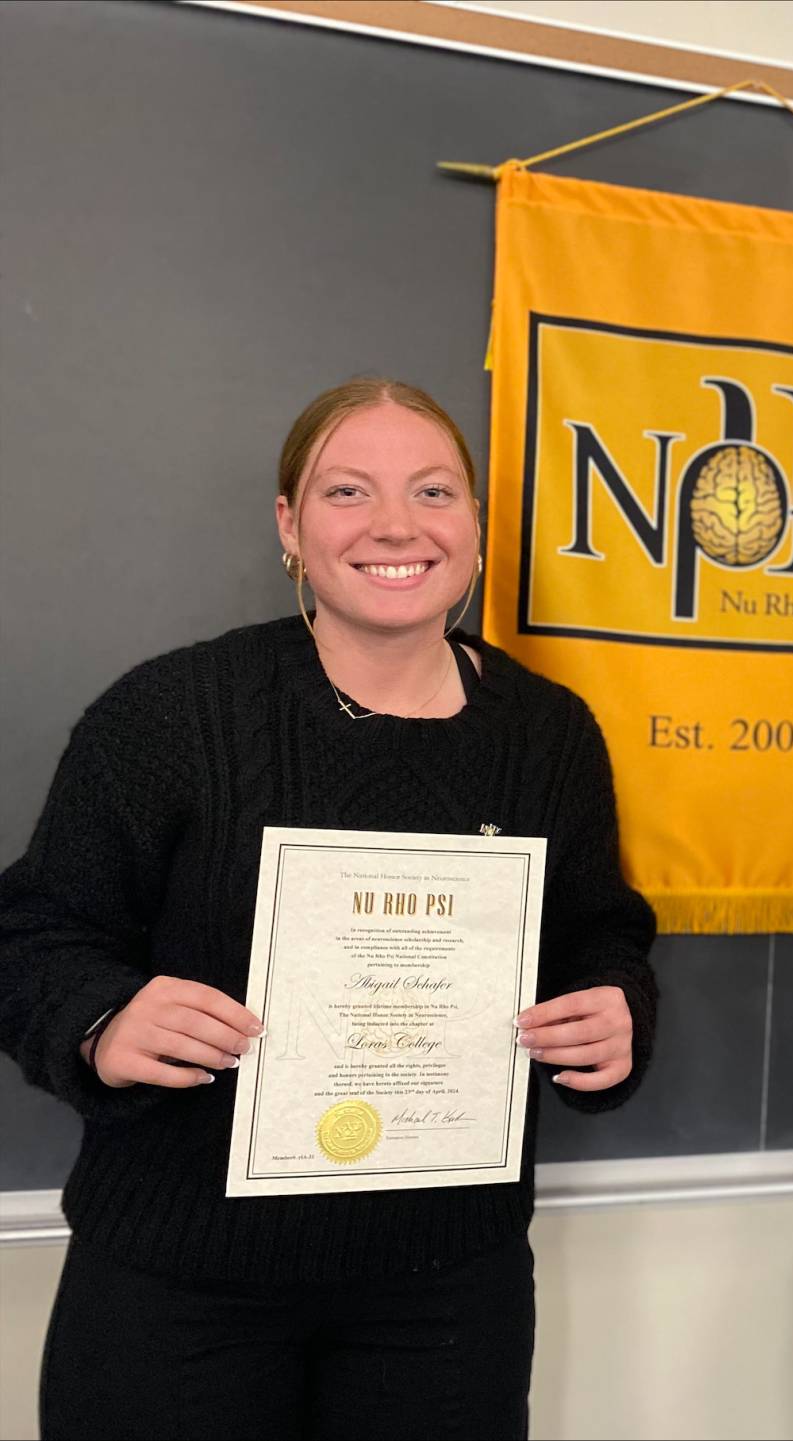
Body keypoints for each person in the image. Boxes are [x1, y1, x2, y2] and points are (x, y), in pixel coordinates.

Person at [0, 378, 659, 1440]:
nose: (397, 525)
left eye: (435, 491)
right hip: (179, 1285)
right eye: (348, 491)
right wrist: (101, 1016)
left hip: (447, 1294)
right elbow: (32, 933)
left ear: (478, 526)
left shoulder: (549, 734)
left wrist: (613, 1002)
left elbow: (597, 930)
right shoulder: (171, 713)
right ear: (290, 527)